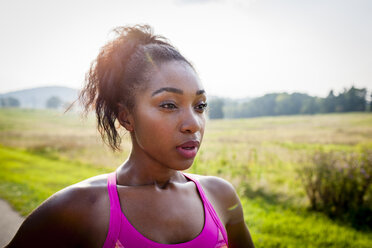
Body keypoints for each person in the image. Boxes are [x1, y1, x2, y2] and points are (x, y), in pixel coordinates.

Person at [7, 25, 255, 248]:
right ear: (126, 117)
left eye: (199, 106)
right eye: (168, 105)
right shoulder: (80, 208)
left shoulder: (221, 197)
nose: (193, 124)